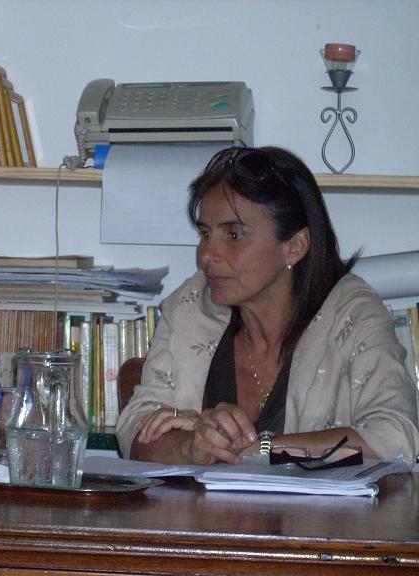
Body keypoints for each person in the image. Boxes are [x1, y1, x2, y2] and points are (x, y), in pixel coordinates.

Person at [116, 146, 419, 467]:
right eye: (205, 234)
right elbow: (136, 430)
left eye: (234, 235)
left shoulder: (353, 313)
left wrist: (257, 448)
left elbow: (397, 438)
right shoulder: (190, 307)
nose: (206, 255)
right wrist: (191, 447)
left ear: (295, 246)